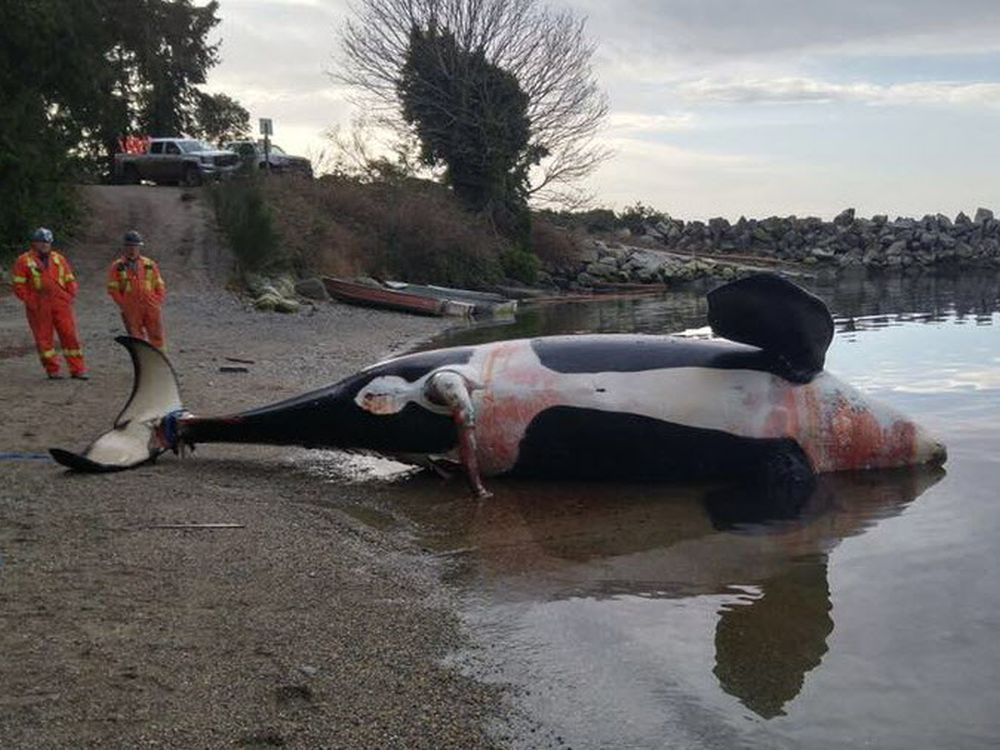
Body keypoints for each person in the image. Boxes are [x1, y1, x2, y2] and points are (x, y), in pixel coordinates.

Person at [10, 227, 89, 380]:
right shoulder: (24, 260)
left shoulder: (58, 259)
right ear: (34, 243)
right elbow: (19, 285)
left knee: (69, 335)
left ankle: (78, 369)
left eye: (47, 242)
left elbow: (69, 279)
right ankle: (52, 369)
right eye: (41, 242)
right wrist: (30, 300)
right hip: (38, 306)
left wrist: (69, 295)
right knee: (43, 339)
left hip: (60, 303)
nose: (44, 245)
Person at [106, 230, 166, 348]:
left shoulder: (149, 264)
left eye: (135, 246)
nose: (132, 249)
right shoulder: (117, 266)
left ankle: (159, 362)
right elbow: (113, 289)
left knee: (157, 336)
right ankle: (142, 362)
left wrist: (157, 301)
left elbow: (159, 284)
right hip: (131, 307)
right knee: (136, 338)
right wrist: (124, 304)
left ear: (139, 247)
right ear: (125, 247)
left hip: (151, 305)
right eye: (130, 246)